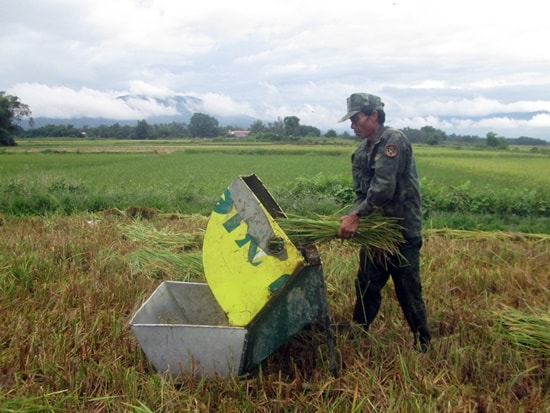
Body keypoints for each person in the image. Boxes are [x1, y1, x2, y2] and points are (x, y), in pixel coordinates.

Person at [337, 92, 431, 352]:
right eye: (351, 121)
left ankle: (423, 342)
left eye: (356, 119)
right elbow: (361, 194)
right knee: (366, 284)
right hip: (375, 233)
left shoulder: (393, 141)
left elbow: (383, 188)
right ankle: (358, 333)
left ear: (373, 115)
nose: (352, 125)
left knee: (407, 289)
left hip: (401, 231)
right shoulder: (358, 154)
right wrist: (349, 215)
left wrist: (356, 216)